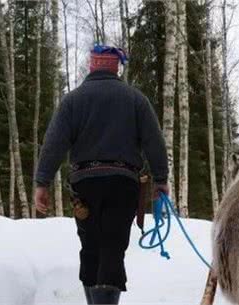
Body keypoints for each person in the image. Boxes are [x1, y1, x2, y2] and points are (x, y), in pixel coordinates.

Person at [34, 45, 169, 305]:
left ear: (92, 66)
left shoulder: (73, 100)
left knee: (91, 246)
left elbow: (54, 143)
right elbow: (154, 142)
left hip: (85, 186)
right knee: (113, 247)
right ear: (115, 67)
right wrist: (160, 180)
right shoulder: (135, 99)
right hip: (123, 183)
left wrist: (43, 182)